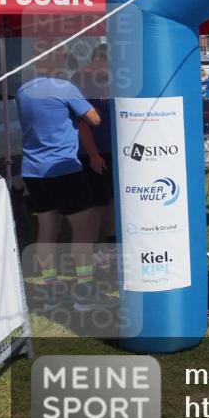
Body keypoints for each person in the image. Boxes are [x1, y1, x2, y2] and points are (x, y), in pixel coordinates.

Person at [16, 43, 115, 312]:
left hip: (33, 170)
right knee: (82, 231)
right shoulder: (66, 88)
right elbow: (94, 119)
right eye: (61, 58)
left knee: (47, 229)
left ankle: (50, 293)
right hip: (63, 169)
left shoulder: (23, 89)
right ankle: (84, 293)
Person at [70, 44, 116, 272]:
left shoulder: (107, 78)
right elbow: (81, 123)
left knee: (111, 202)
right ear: (98, 60)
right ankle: (98, 252)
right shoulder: (81, 79)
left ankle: (110, 249)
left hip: (113, 148)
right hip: (95, 151)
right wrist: (94, 155)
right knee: (98, 205)